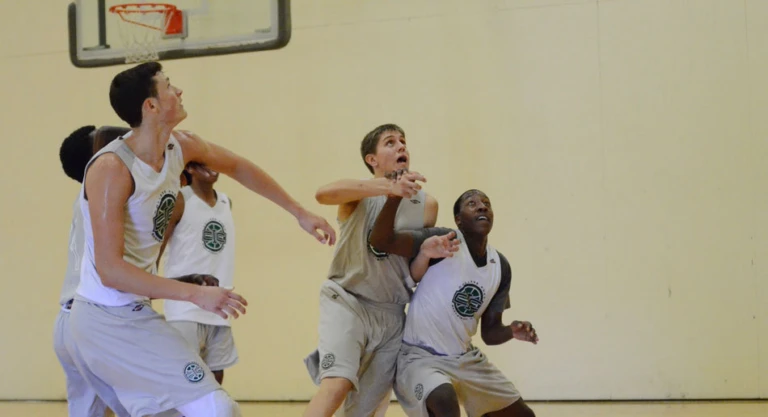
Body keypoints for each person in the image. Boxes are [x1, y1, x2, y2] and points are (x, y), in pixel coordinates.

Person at [68, 61, 336, 417]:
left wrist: (298, 211)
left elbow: (239, 167)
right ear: (150, 106)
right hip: (104, 319)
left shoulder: (182, 146)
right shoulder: (112, 169)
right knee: (216, 408)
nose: (178, 91)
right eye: (168, 86)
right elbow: (111, 271)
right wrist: (197, 294)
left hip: (132, 312)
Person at [303, 124, 438, 417]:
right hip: (347, 300)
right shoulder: (359, 192)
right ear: (371, 159)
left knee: (366, 408)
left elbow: (413, 270)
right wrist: (387, 187)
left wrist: (427, 255)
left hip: (391, 312)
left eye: (403, 141)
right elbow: (322, 194)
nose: (401, 146)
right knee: (337, 383)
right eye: (390, 142)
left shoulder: (427, 204)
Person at [369, 189, 539, 417]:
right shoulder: (443, 241)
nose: (482, 207)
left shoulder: (500, 266)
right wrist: (394, 196)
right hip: (420, 358)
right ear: (458, 220)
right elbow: (380, 240)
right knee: (444, 400)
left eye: (486, 203)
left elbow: (490, 333)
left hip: (465, 359)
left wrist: (512, 331)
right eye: (472, 203)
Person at [55, 124, 132, 417]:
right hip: (94, 318)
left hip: (67, 320)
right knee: (140, 406)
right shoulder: (104, 192)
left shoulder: (89, 195)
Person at [158, 162, 239, 386]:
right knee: (185, 380)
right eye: (204, 164)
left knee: (216, 378)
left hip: (220, 307)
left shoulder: (225, 202)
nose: (214, 166)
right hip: (184, 309)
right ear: (190, 169)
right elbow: (157, 249)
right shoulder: (178, 199)